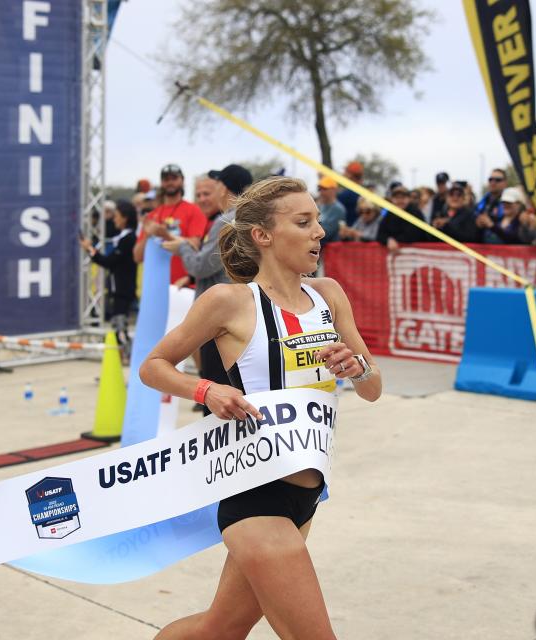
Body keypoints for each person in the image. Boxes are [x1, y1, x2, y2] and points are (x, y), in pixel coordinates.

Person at [139, 176, 381, 639]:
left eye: (317, 220)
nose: (320, 232)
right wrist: (206, 390)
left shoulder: (329, 295)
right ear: (263, 236)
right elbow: (153, 366)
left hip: (307, 493)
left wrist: (358, 369)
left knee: (220, 629)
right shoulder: (229, 301)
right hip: (254, 494)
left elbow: (373, 389)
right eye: (303, 222)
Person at [164, 165, 254, 412]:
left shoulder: (227, 220)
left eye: (211, 190)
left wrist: (182, 248)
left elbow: (201, 266)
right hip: (244, 315)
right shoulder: (251, 218)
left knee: (216, 391)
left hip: (219, 317)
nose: (207, 197)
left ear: (223, 188)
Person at [133, 163, 208, 288]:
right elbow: (137, 257)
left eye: (174, 178)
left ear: (182, 181)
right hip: (156, 287)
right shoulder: (152, 215)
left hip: (184, 286)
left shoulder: (194, 210)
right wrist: (148, 234)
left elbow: (195, 245)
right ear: (161, 183)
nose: (170, 182)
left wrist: (165, 235)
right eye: (166, 179)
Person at [80, 200, 138, 354]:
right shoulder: (123, 237)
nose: (114, 219)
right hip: (119, 289)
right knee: (118, 325)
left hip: (123, 290)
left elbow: (109, 262)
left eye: (117, 216)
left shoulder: (128, 238)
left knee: (120, 327)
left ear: (125, 218)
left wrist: (90, 249)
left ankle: (129, 357)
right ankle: (124, 357)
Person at [316, 176, 346, 244]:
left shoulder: (338, 209)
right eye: (320, 189)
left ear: (334, 190)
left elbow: (325, 233)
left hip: (330, 251)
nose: (321, 192)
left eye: (324, 189)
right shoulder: (319, 206)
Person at [336, 161, 364, 225]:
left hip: (347, 231)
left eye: (346, 172)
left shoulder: (346, 194)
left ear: (350, 175)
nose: (344, 174)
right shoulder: (364, 192)